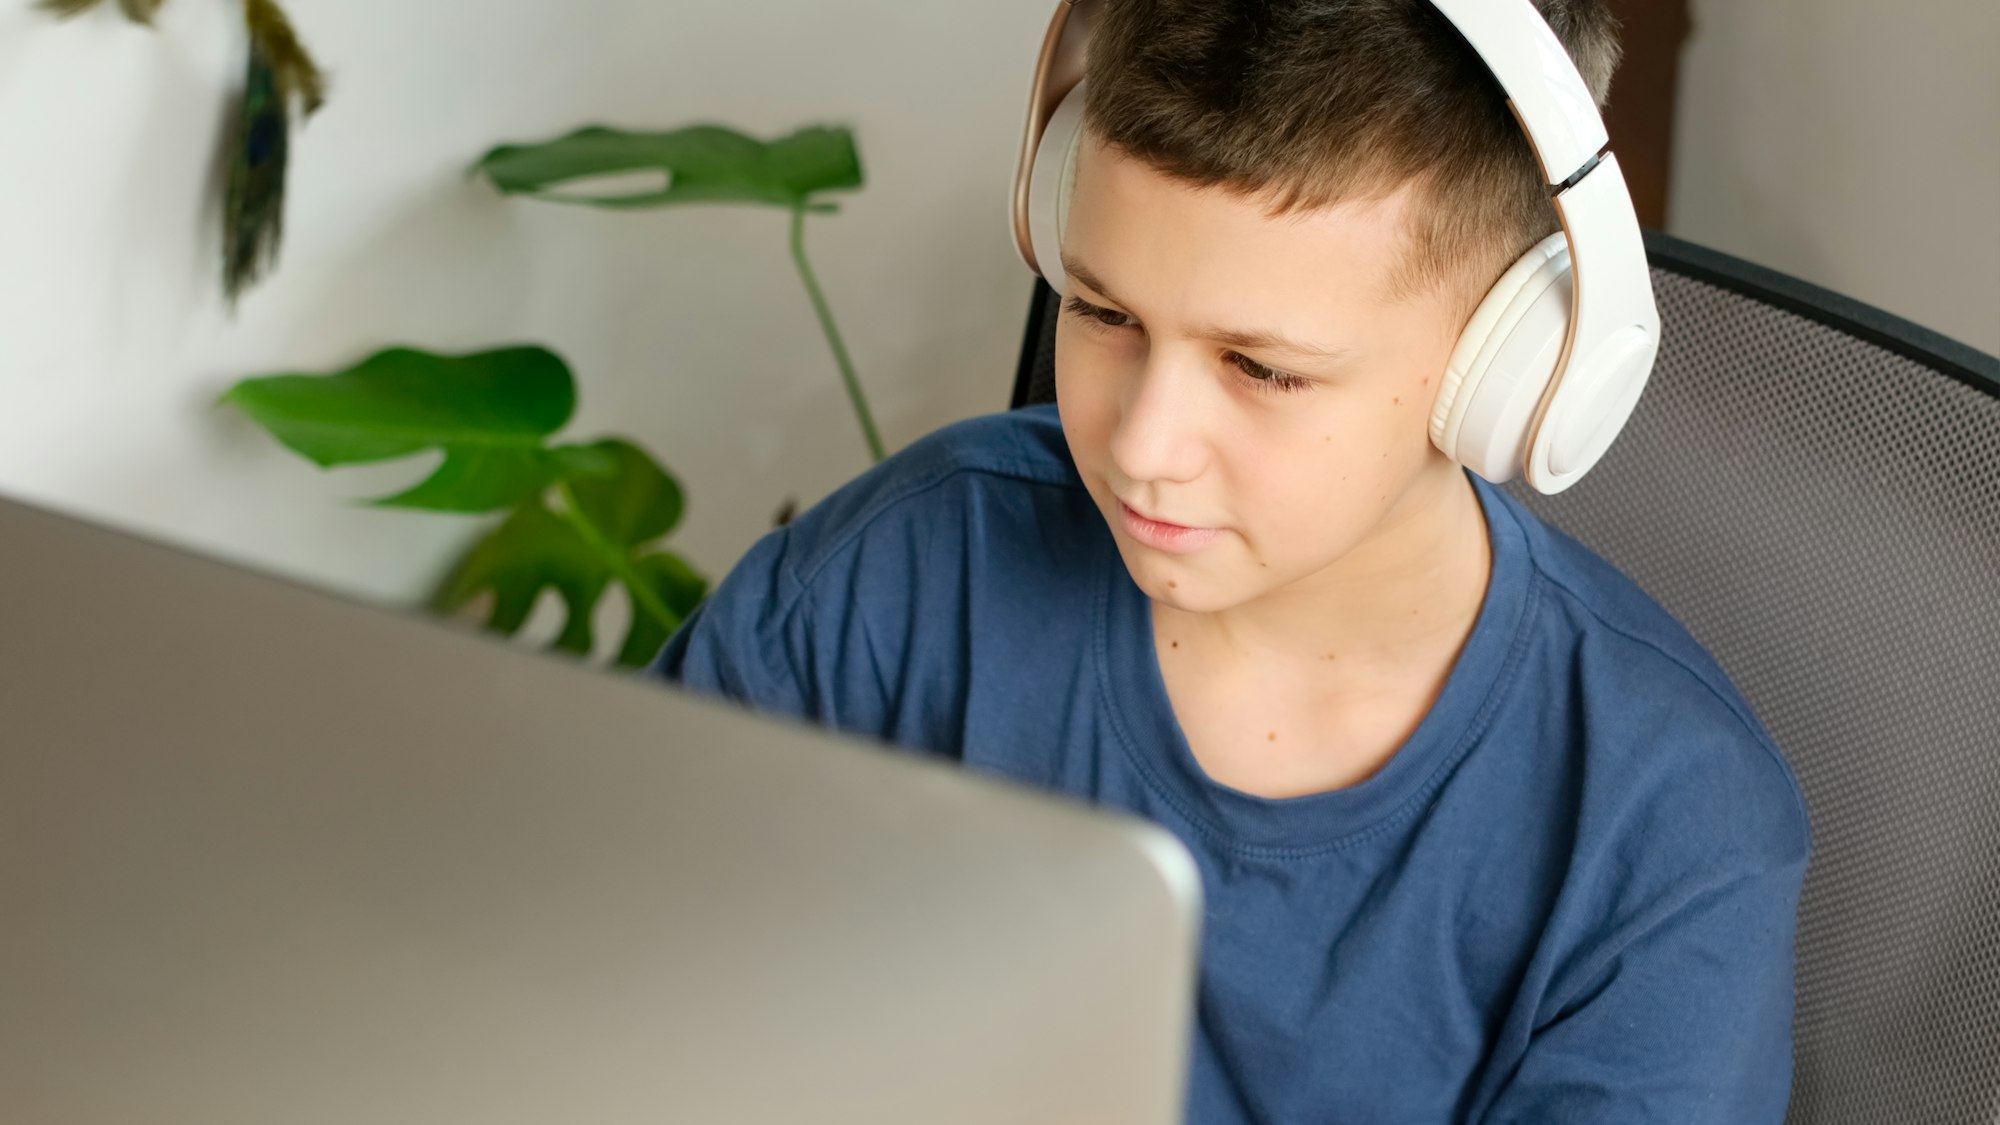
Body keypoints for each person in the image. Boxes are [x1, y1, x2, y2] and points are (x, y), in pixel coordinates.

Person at [651, 0, 1812, 1119]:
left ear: (1503, 376)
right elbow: (609, 962)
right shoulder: (906, 567)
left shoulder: (1666, 833)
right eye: (1103, 313)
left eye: (1259, 369)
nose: (1142, 448)